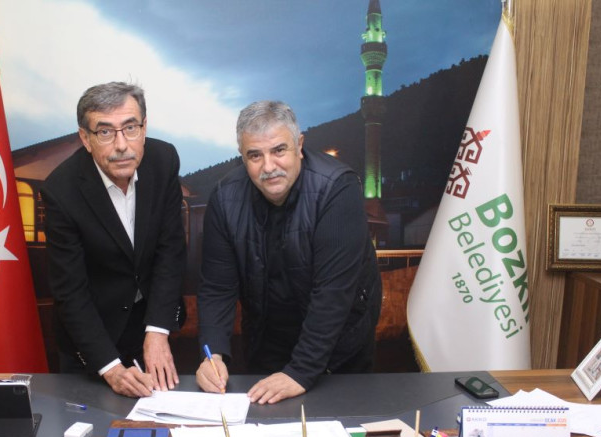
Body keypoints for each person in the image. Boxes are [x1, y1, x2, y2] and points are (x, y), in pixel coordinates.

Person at [196, 100, 382, 404]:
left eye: (279, 150)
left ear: (299, 146)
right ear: (242, 156)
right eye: (255, 155)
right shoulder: (224, 197)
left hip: (338, 346)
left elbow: (333, 292)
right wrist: (212, 354)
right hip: (267, 340)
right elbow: (217, 287)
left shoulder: (337, 188)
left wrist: (301, 371)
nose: (268, 167)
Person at [42, 82, 186, 398]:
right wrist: (110, 368)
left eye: (130, 128)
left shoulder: (164, 161)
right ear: (86, 138)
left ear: (144, 128)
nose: (122, 145)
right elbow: (71, 291)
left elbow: (170, 251)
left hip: (149, 322)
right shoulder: (61, 191)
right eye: (105, 132)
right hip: (93, 338)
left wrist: (157, 330)